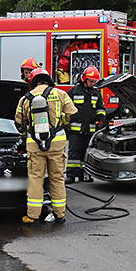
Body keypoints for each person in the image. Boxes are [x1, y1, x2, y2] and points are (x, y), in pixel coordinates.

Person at [15, 68, 77, 224]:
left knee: (36, 179)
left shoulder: (25, 98)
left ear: (33, 82)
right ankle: (60, 214)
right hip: (57, 143)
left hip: (34, 145)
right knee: (57, 178)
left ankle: (32, 216)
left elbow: (19, 123)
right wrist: (61, 122)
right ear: (48, 80)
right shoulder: (61, 94)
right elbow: (73, 114)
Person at [66, 66, 106, 183]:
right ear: (84, 79)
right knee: (74, 152)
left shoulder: (96, 93)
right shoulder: (73, 91)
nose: (92, 83)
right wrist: (66, 122)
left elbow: (100, 108)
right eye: (91, 81)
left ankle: (85, 174)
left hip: (90, 129)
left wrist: (101, 119)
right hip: (75, 129)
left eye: (94, 82)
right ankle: (71, 175)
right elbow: (66, 108)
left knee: (86, 153)